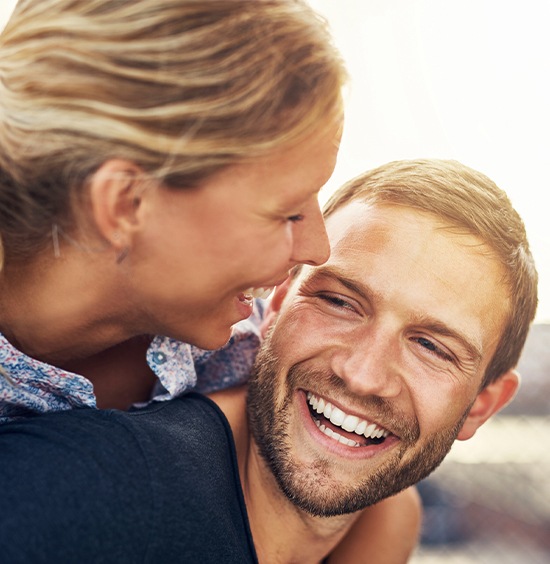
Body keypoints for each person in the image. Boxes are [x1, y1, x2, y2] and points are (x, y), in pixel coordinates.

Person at [0, 2, 420, 562]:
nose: (316, 248)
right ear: (125, 202)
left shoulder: (242, 347)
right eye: (287, 212)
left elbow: (382, 503)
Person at [0, 159, 538, 563]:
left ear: (481, 406)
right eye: (338, 302)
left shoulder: (383, 518)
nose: (363, 374)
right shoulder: (77, 493)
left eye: (431, 346)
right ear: (274, 306)